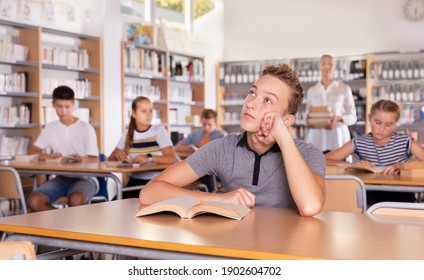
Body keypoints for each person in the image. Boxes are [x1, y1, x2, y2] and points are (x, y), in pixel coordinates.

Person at [140, 64, 326, 217]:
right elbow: (149, 192)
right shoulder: (222, 149)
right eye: (252, 92)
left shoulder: (309, 154)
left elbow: (310, 206)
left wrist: (284, 136)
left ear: (287, 120)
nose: (251, 103)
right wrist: (219, 199)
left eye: (268, 100)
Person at [325, 99, 424, 204]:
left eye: (388, 125)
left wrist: (402, 167)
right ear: (369, 118)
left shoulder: (406, 142)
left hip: (401, 196)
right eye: (377, 122)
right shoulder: (359, 142)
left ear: (395, 125)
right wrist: (351, 165)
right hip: (368, 196)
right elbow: (323, 159)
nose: (381, 129)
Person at [28, 85, 99, 212]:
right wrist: (50, 156)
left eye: (67, 107)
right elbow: (32, 151)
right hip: (61, 178)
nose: (63, 111)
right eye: (59, 107)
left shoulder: (86, 128)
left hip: (86, 178)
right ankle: (62, 228)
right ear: (53, 104)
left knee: (76, 200)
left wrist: (81, 159)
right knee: (35, 200)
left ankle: (67, 228)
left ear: (73, 104)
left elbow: (95, 159)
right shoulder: (51, 128)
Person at [108, 96, 178, 198]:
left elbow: (172, 159)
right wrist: (118, 154)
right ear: (134, 114)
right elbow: (110, 159)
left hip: (157, 182)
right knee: (114, 205)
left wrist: (149, 157)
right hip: (135, 182)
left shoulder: (158, 131)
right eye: (143, 111)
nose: (148, 115)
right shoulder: (128, 133)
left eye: (150, 111)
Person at [305, 54, 357, 154]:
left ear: (334, 66)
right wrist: (309, 121)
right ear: (319, 66)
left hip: (338, 142)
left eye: (330, 63)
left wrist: (338, 118)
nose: (327, 67)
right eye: (324, 63)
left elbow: (353, 117)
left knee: (338, 169)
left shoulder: (344, 89)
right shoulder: (312, 91)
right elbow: (308, 114)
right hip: (316, 142)